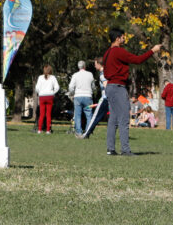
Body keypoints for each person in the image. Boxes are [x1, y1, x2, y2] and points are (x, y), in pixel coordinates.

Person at [102, 28, 161, 156]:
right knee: (124, 119)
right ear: (117, 38)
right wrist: (153, 50)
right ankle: (125, 150)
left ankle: (110, 149)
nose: (124, 39)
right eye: (123, 37)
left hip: (110, 87)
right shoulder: (118, 51)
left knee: (113, 119)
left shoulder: (107, 53)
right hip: (118, 87)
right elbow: (138, 60)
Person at [79, 57, 109, 139]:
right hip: (109, 99)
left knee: (95, 117)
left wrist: (104, 98)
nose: (94, 66)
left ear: (100, 64)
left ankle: (86, 134)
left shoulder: (103, 74)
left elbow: (107, 87)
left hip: (106, 99)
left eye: (95, 64)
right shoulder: (106, 72)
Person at [68, 60, 95, 136]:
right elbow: (93, 86)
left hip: (78, 96)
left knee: (78, 115)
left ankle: (79, 132)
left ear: (78, 67)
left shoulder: (75, 75)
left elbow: (71, 87)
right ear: (84, 66)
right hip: (88, 96)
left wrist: (72, 93)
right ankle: (88, 131)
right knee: (89, 115)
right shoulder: (90, 74)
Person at [34, 65, 60, 134]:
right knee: (48, 114)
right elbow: (57, 87)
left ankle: (39, 129)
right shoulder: (53, 77)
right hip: (49, 96)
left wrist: (39, 92)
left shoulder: (40, 77)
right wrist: (52, 93)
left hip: (42, 96)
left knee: (42, 114)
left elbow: (37, 88)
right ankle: (48, 130)